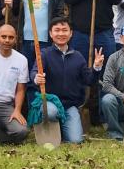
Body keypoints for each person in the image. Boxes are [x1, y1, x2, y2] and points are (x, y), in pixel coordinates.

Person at [31, 16, 105, 144]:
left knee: (76, 140)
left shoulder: (78, 56)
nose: (61, 33)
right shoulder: (44, 54)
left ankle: (62, 129)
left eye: (64, 30)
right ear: (51, 33)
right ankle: (51, 126)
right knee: (52, 113)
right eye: (57, 30)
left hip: (69, 105)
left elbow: (89, 80)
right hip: (49, 102)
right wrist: (37, 78)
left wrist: (96, 67)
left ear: (71, 34)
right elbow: (34, 72)